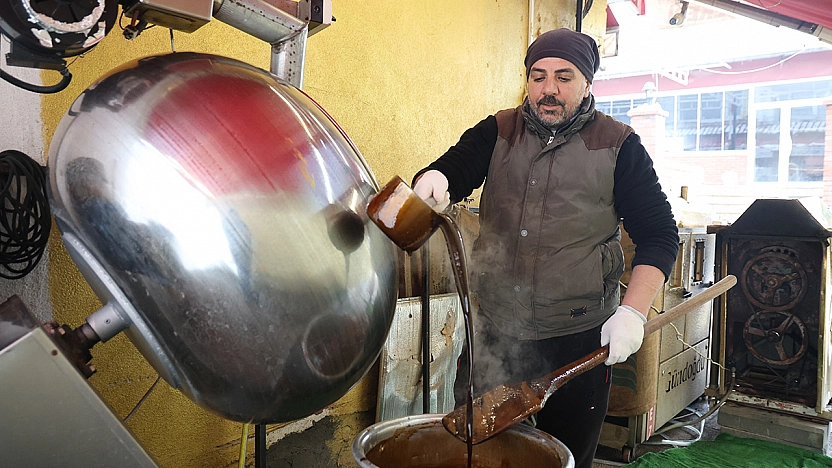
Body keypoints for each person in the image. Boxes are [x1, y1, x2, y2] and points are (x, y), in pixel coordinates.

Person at [411, 28, 679, 468]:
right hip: (494, 332)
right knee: (474, 454)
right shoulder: (497, 131)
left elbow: (660, 234)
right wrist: (436, 179)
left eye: (564, 76)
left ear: (588, 82)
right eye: (538, 77)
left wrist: (633, 311)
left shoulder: (619, 146)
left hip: (578, 341)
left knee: (564, 458)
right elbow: (454, 168)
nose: (548, 89)